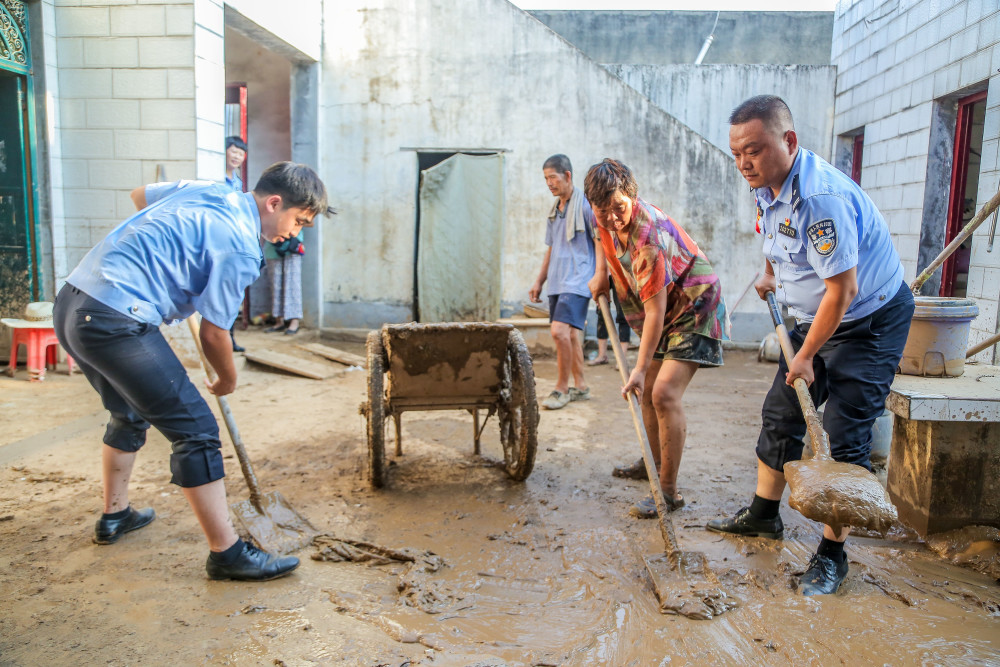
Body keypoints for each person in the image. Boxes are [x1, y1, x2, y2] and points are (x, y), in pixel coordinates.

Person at [53, 162, 330, 581]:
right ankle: (228, 554)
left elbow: (140, 195)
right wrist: (228, 379)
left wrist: (169, 255)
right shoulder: (240, 246)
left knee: (128, 411)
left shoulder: (211, 190)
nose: (295, 233)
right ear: (274, 203)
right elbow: (216, 335)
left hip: (74, 302)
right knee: (198, 431)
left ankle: (116, 516)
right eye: (298, 220)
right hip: (114, 320)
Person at [708, 95, 914, 595]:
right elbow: (776, 232)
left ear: (789, 141)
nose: (744, 164)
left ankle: (832, 555)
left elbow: (842, 291)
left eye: (753, 150)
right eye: (736, 153)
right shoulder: (766, 183)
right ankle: (763, 515)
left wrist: (802, 356)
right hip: (811, 315)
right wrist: (770, 272)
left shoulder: (823, 200)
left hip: (867, 322)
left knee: (844, 435)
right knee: (782, 414)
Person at [584, 159, 728, 519]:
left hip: (694, 306)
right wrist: (601, 274)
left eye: (619, 208)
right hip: (663, 311)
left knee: (661, 393)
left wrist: (639, 366)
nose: (613, 219)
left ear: (632, 196)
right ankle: (653, 461)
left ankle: (667, 491)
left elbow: (655, 311)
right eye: (604, 211)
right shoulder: (599, 214)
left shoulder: (646, 237)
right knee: (647, 391)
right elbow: (601, 238)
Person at [529, 154, 595, 410]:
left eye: (553, 177)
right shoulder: (554, 211)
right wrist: (539, 281)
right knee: (571, 335)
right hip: (557, 280)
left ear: (567, 175)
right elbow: (551, 248)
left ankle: (561, 388)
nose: (549, 183)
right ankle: (581, 386)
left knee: (558, 332)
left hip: (578, 279)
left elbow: (601, 242)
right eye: (546, 178)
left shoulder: (586, 206)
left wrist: (602, 276)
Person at [224, 136, 250, 352]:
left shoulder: (237, 183)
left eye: (240, 153)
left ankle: (229, 339)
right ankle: (220, 340)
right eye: (233, 151)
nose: (236, 156)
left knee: (233, 295)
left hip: (234, 243)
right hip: (219, 245)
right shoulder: (215, 180)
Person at [263, 229, 305, 335]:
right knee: (275, 286)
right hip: (273, 248)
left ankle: (294, 322)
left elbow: (310, 222)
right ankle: (279, 321)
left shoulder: (302, 213)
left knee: (293, 285)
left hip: (292, 247)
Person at [588, 276, 632, 366]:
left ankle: (622, 360)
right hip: (604, 271)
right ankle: (602, 356)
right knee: (601, 312)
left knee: (623, 313)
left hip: (620, 269)